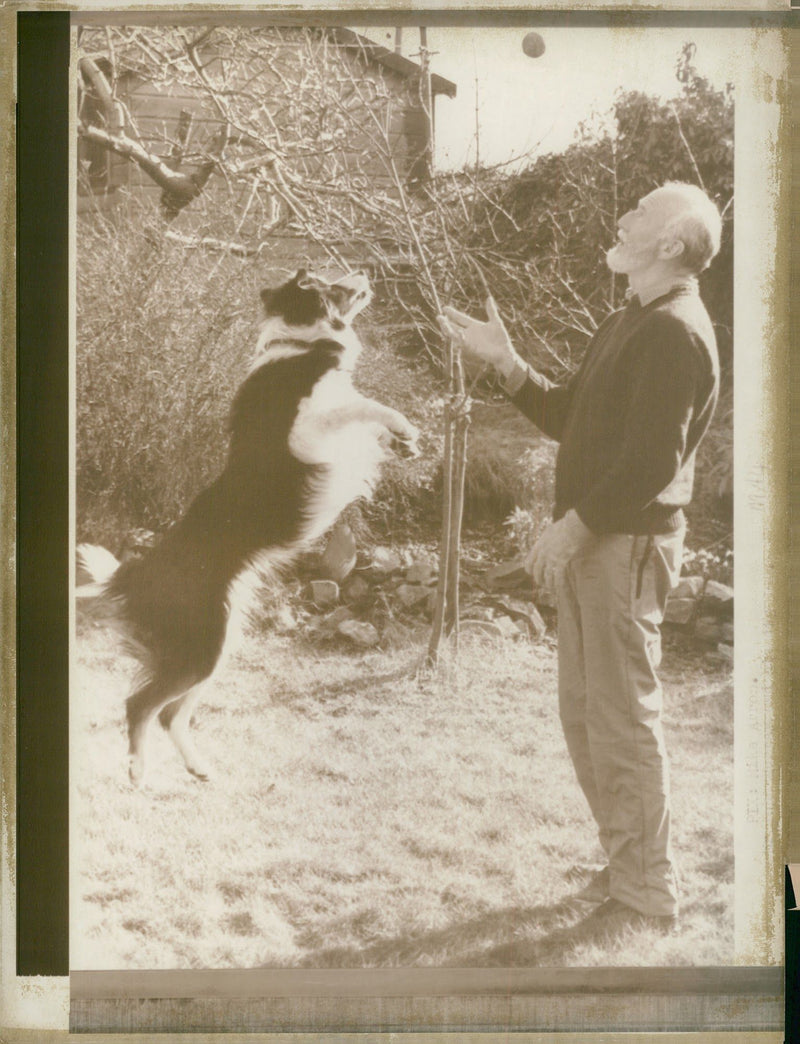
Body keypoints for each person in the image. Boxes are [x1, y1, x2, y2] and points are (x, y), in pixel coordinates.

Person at [440, 182, 723, 933]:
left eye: (640, 213)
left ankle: (646, 896)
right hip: (604, 542)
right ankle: (627, 865)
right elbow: (572, 418)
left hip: (624, 545)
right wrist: (505, 364)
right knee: (588, 717)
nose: (623, 218)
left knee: (623, 722)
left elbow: (648, 465)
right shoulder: (631, 318)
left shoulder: (673, 332)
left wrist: (571, 529)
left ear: (670, 244)